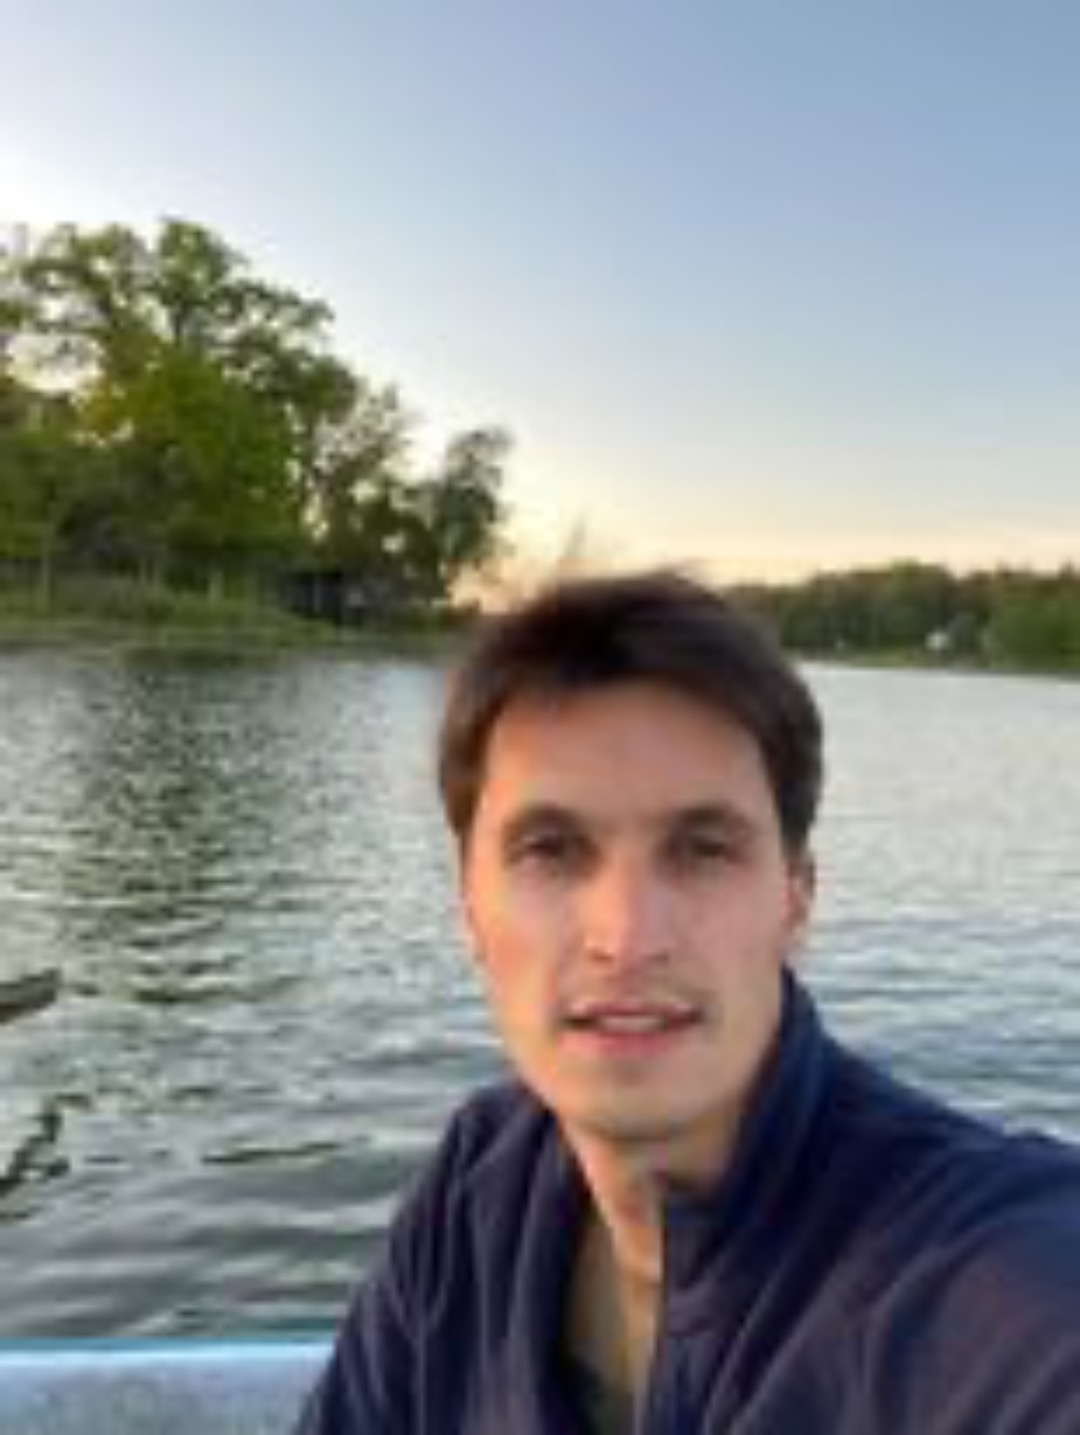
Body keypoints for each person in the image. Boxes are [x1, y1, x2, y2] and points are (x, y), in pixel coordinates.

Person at [297, 569, 1080, 1434]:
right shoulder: (480, 1188)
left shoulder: (994, 1283)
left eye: (703, 849)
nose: (627, 936)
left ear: (795, 900)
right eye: (552, 849)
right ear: (470, 908)